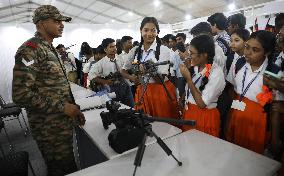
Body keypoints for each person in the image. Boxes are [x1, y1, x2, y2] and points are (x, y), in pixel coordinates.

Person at [12, 5, 85, 176]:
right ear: (42, 23)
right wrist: (63, 107)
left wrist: (73, 110)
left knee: (66, 167)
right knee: (62, 169)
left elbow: (56, 87)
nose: (62, 25)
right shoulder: (30, 50)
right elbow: (20, 95)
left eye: (62, 21)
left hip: (61, 123)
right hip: (48, 129)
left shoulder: (49, 48)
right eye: (56, 21)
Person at [226, 30, 276, 154]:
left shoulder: (273, 72)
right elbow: (232, 88)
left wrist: (275, 140)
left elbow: (275, 110)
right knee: (234, 151)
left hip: (257, 120)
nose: (248, 52)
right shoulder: (239, 63)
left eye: (255, 50)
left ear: (267, 52)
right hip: (236, 110)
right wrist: (230, 115)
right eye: (247, 47)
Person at [121, 17, 179, 119]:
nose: (150, 34)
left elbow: (160, 80)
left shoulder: (163, 50)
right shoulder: (135, 50)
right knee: (144, 124)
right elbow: (123, 70)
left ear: (157, 32)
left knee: (163, 125)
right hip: (142, 91)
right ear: (140, 30)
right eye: (146, 30)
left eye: (153, 30)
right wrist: (133, 78)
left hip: (160, 92)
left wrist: (149, 70)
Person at [180, 35, 225, 137]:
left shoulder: (216, 73)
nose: (188, 56)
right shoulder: (196, 66)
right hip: (190, 112)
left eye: (192, 53)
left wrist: (188, 79)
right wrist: (183, 98)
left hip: (204, 117)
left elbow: (202, 104)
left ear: (204, 55)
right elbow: (190, 89)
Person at [88, 38, 134, 107]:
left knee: (130, 106)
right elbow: (91, 76)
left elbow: (128, 70)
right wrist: (104, 81)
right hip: (111, 89)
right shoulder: (101, 63)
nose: (114, 48)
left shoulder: (121, 58)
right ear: (105, 50)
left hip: (125, 86)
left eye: (115, 46)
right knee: (116, 108)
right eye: (111, 47)